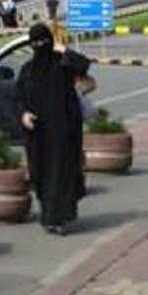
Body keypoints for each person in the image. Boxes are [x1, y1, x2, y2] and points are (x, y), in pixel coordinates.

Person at [17, 23, 91, 235]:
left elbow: (83, 65)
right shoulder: (27, 70)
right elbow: (17, 98)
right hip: (38, 134)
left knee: (61, 174)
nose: (40, 46)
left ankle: (58, 218)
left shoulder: (62, 64)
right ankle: (49, 215)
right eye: (35, 43)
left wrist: (62, 49)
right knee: (41, 174)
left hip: (63, 131)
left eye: (44, 42)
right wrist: (23, 114)